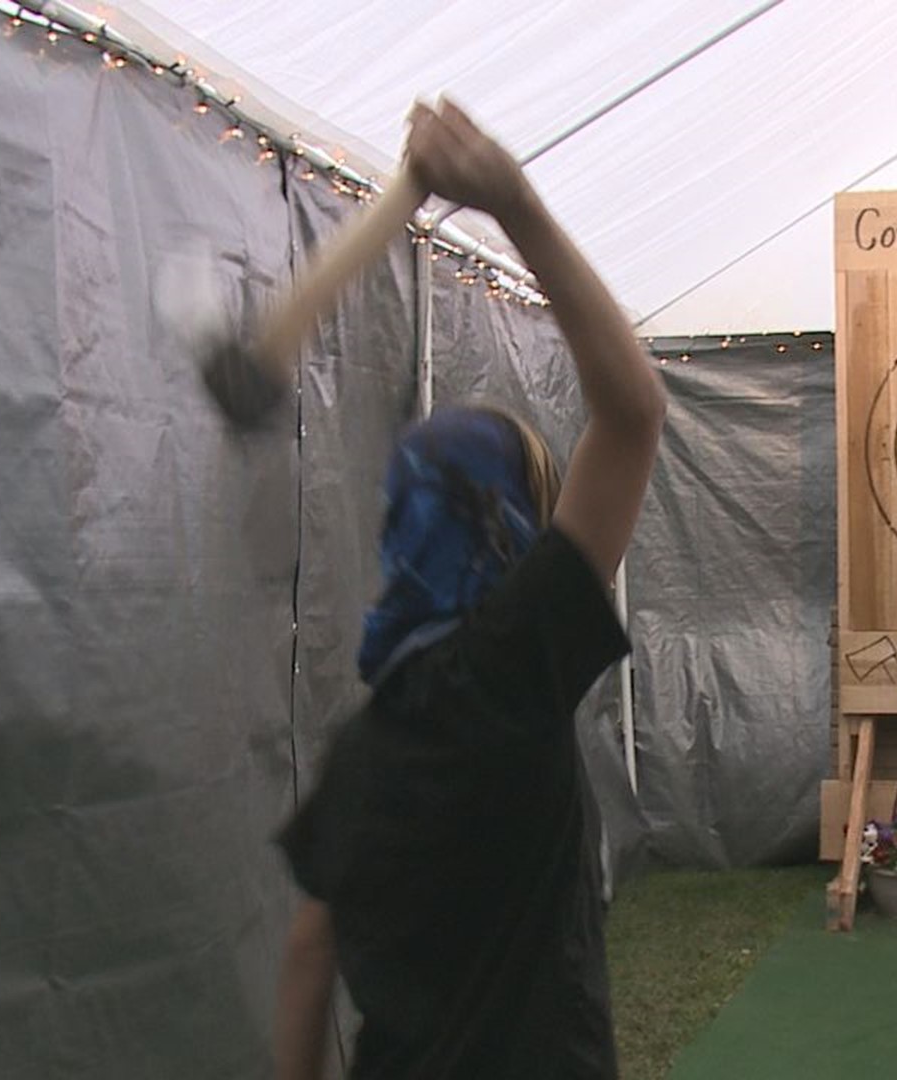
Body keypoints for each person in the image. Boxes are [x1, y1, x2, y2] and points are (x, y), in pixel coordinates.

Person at [271, 98, 667, 1080]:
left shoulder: (358, 752)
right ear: (502, 526)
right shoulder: (507, 671)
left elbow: (309, 950)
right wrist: (510, 201)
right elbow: (631, 413)